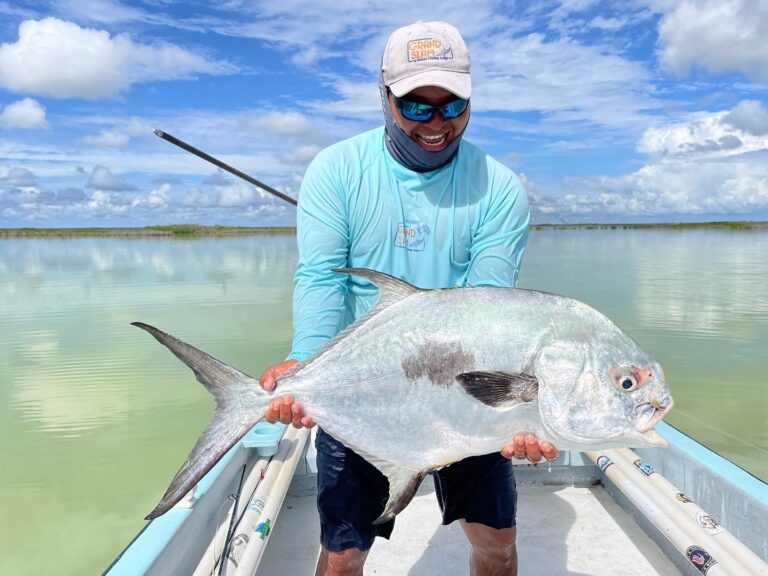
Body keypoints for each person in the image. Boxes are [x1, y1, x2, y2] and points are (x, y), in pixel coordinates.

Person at [259, 21, 558, 576]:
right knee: (343, 554)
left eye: (453, 105)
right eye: (417, 107)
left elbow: (483, 309)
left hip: (468, 395)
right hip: (362, 384)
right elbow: (322, 278)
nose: (437, 124)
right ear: (385, 96)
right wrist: (307, 360)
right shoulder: (336, 170)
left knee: (497, 545)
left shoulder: (500, 188)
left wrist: (522, 416)